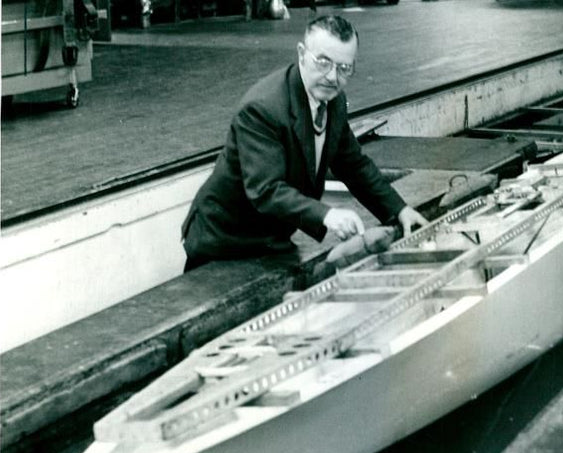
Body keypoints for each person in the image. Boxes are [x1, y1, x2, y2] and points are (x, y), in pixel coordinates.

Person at [181, 14, 427, 271]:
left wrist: (399, 211)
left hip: (270, 238)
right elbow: (266, 190)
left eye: (344, 68)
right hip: (223, 243)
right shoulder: (262, 108)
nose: (333, 77)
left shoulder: (334, 102)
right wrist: (326, 215)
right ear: (301, 54)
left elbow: (353, 165)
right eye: (323, 62)